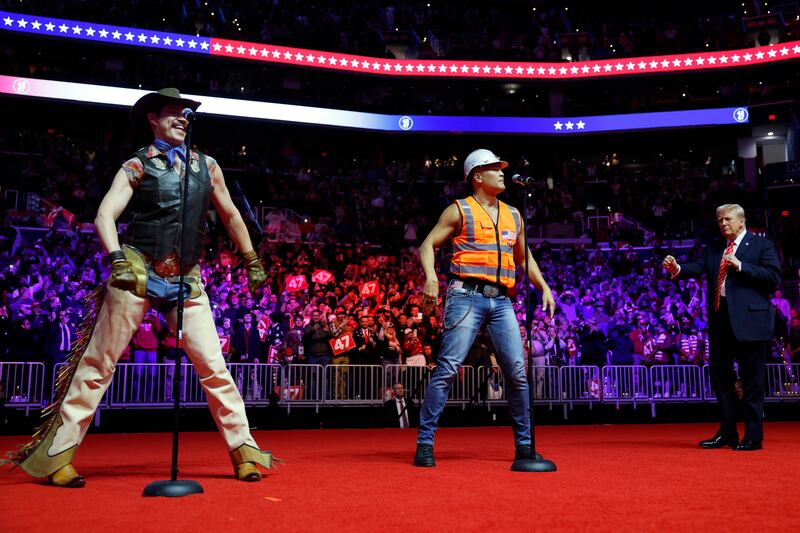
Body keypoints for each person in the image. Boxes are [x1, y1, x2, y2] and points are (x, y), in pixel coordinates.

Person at [7, 88, 274, 487]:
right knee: (98, 364)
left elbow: (232, 215)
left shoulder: (208, 166)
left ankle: (244, 452)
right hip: (138, 271)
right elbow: (105, 214)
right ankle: (58, 456)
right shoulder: (137, 164)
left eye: (186, 113)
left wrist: (251, 258)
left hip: (186, 279)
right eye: (173, 112)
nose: (182, 118)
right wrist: (116, 257)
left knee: (214, 367)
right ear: (153, 119)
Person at [413, 148, 555, 468]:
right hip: (465, 296)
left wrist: (544, 287)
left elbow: (524, 258)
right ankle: (424, 443)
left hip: (502, 300)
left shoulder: (514, 214)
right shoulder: (459, 210)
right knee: (447, 368)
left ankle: (525, 446)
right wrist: (432, 277)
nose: (502, 173)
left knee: (517, 372)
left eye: (502, 168)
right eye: (495, 168)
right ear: (477, 176)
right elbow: (427, 245)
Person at [662, 204, 781, 451]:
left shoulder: (762, 245)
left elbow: (773, 277)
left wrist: (741, 265)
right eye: (719, 220)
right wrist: (677, 269)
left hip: (750, 322)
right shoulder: (715, 249)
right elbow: (697, 267)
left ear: (741, 220)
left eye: (727, 219)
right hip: (720, 322)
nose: (723, 223)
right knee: (721, 380)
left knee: (752, 382)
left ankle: (753, 436)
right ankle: (727, 432)